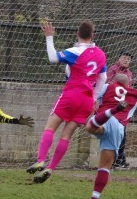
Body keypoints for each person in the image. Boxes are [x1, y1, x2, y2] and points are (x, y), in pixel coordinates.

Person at [26, 20, 107, 183]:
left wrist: (49, 37)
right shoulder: (101, 54)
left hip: (72, 94)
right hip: (86, 99)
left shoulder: (75, 51)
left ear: (77, 34)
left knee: (50, 127)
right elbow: (103, 78)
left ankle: (41, 159)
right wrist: (94, 98)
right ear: (92, 36)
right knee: (66, 135)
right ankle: (50, 168)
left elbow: (53, 58)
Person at [106, 50, 134, 168]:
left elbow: (130, 89)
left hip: (123, 107)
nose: (126, 60)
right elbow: (107, 85)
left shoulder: (130, 73)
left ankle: (120, 159)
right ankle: (111, 160)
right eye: (124, 57)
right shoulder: (112, 70)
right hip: (112, 106)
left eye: (128, 58)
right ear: (119, 58)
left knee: (122, 133)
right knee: (112, 133)